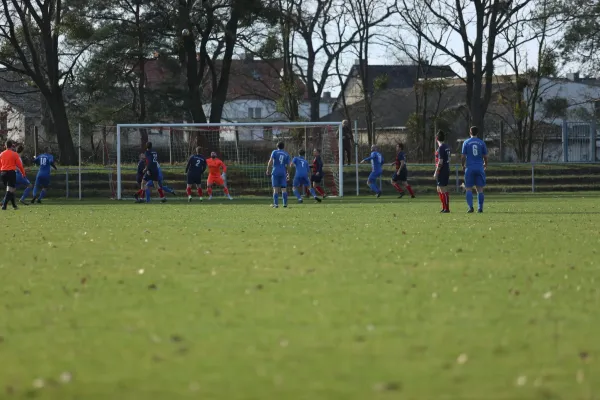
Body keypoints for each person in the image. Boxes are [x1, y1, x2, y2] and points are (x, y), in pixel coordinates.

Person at [461, 126, 488, 213]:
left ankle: (470, 207)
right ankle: (480, 208)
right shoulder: (481, 143)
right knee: (480, 189)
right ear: (477, 133)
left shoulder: (466, 142)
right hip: (479, 167)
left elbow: (463, 156)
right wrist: (485, 164)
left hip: (470, 167)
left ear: (470, 132)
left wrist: (463, 165)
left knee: (468, 188)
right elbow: (485, 156)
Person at [0, 140, 25, 210]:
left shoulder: (1, 154)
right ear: (12, 146)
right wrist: (23, 173)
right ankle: (4, 205)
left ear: (5, 146)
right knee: (11, 190)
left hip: (3, 173)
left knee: (10, 190)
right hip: (11, 173)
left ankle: (14, 206)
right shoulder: (14, 154)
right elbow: (20, 166)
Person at [266, 141, 290, 208]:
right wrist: (288, 173)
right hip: (283, 172)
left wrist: (268, 169)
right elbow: (288, 165)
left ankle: (276, 204)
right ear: (283, 147)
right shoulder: (286, 154)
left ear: (277, 146)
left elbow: (270, 161)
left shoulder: (274, 152)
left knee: (275, 189)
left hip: (275, 172)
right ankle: (285, 204)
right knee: (284, 188)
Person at [434, 130, 451, 213]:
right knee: (439, 189)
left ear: (436, 138)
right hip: (445, 169)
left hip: (442, 171)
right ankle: (444, 207)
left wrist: (436, 172)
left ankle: (446, 208)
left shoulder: (441, 148)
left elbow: (440, 161)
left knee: (443, 189)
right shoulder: (446, 146)